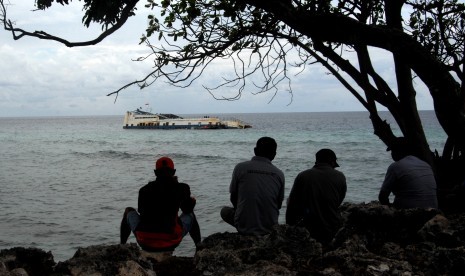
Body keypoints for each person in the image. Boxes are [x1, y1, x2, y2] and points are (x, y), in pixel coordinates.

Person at [120, 157, 201, 252]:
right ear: (174, 172)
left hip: (145, 241)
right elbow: (187, 209)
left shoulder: (144, 190)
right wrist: (192, 201)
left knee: (128, 211)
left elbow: (142, 213)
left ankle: (122, 247)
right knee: (191, 215)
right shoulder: (182, 187)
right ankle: (199, 248)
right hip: (170, 241)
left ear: (155, 172)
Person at [220, 137, 285, 235]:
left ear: (255, 151)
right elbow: (278, 205)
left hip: (244, 227)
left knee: (224, 211)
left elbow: (233, 197)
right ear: (274, 155)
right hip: (270, 228)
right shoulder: (279, 174)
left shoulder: (240, 168)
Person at [286, 148, 346, 245]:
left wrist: (289, 226)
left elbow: (292, 204)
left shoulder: (303, 176)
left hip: (309, 229)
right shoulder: (340, 176)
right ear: (332, 162)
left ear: (316, 161)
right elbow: (339, 201)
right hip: (332, 228)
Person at [378, 137, 438, 209]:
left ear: (398, 151)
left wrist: (389, 208)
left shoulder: (395, 166)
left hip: (411, 212)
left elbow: (382, 196)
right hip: (433, 209)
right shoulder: (425, 164)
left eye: (393, 151)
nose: (392, 154)